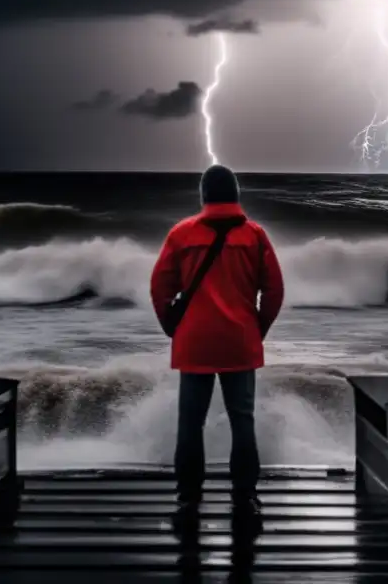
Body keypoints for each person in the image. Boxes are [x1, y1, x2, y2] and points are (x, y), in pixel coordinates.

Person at [150, 164, 285, 519]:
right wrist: (259, 328)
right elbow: (274, 291)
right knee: (243, 419)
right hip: (239, 340)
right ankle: (245, 496)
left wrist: (171, 326)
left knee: (190, 421)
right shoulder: (255, 236)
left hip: (195, 341)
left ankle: (188, 496)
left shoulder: (181, 234)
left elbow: (160, 287)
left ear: (203, 196)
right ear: (236, 195)